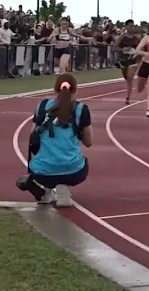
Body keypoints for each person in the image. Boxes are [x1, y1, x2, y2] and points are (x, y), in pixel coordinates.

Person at [15, 73, 92, 207]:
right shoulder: (81, 109)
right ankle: (62, 187)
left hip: (41, 173)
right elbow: (89, 143)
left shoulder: (42, 106)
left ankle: (46, 190)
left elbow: (33, 137)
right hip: (73, 172)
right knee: (82, 161)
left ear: (55, 89)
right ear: (75, 90)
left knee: (45, 157)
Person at [115, 19, 140, 105]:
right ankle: (128, 96)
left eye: (133, 26)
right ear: (126, 27)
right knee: (127, 78)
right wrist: (123, 49)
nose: (132, 28)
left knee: (130, 78)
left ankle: (128, 98)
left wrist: (137, 52)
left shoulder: (137, 38)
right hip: (124, 60)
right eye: (131, 26)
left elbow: (141, 48)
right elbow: (114, 48)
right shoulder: (122, 37)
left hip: (133, 61)